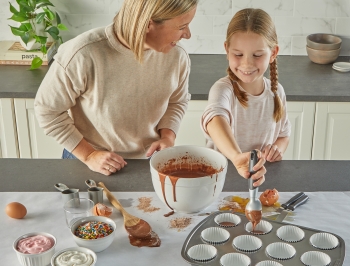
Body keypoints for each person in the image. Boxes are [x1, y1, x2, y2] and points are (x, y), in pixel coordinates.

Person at [34, 0, 198, 176]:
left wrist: (168, 136)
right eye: (182, 26)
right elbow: (47, 111)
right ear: (148, 24)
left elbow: (177, 101)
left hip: (148, 163)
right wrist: (89, 155)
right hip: (89, 162)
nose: (187, 35)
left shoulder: (177, 57)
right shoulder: (82, 53)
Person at [201, 8, 292, 186]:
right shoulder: (222, 89)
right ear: (227, 50)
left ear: (273, 53)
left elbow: (283, 136)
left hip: (261, 180)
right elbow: (215, 119)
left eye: (257, 55)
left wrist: (276, 150)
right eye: (238, 54)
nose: (247, 63)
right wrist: (236, 157)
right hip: (220, 182)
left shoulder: (276, 92)